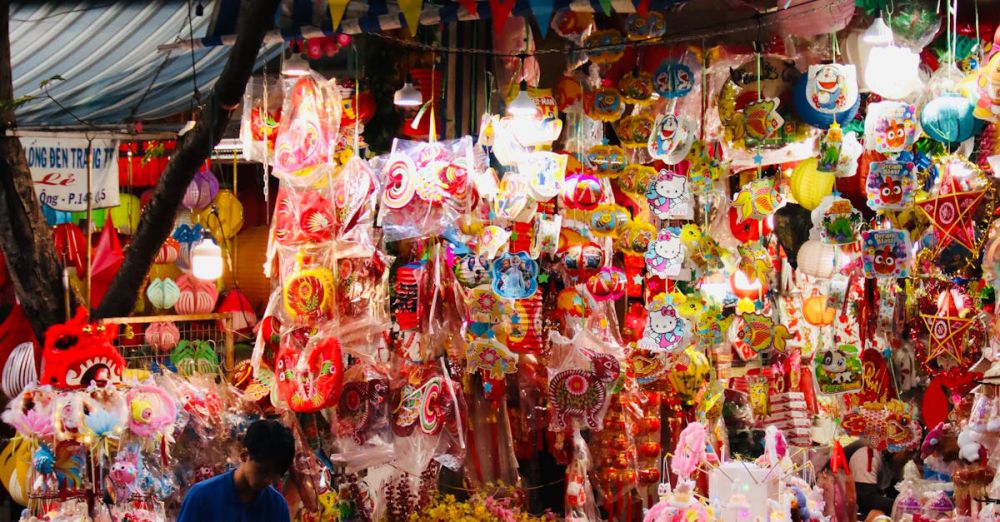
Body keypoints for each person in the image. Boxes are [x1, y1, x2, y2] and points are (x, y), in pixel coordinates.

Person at [177, 419, 295, 522]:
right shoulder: (201, 496)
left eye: (275, 475)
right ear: (244, 455)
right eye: (263, 471)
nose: (267, 479)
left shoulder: (277, 506)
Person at [845, 438, 894, 521]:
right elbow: (866, 498)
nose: (909, 458)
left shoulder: (887, 457)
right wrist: (898, 504)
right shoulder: (867, 452)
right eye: (908, 453)